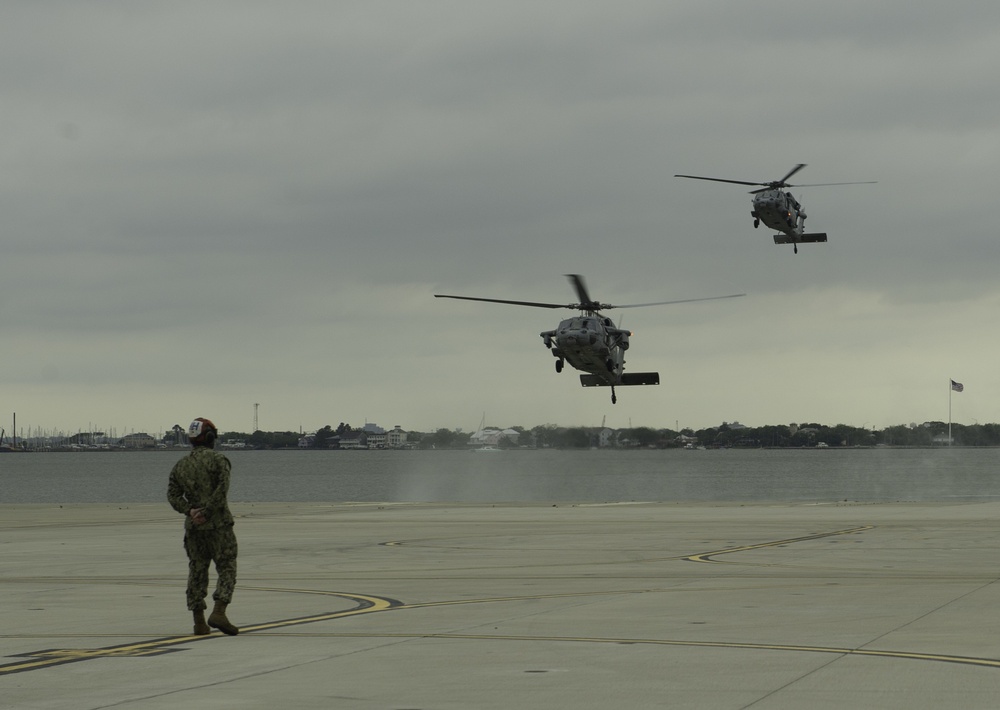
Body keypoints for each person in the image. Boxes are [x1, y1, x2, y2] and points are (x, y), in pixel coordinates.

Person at [167, 417, 239, 636]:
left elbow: (172, 495)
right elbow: (222, 490)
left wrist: (191, 511)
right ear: (210, 438)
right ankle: (219, 611)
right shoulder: (219, 460)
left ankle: (199, 622)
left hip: (194, 528)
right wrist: (207, 512)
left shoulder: (181, 465)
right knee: (226, 567)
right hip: (218, 526)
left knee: (197, 570)